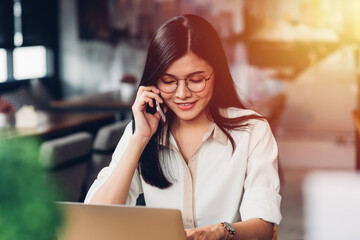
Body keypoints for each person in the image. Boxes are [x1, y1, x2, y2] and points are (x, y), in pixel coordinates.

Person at [85, 14, 281, 240]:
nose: (182, 93)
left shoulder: (252, 130)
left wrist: (220, 231)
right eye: (168, 81)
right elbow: (96, 220)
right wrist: (139, 139)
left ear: (216, 74)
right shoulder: (143, 131)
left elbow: (264, 227)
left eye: (196, 79)